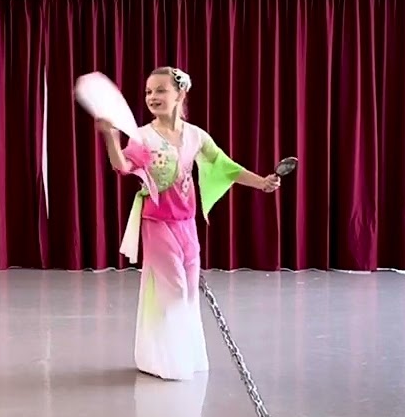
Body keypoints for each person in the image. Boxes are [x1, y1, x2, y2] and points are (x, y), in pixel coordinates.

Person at [96, 67, 280, 381]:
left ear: (180, 94)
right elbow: (123, 166)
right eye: (148, 92)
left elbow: (225, 166)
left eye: (160, 90)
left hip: (187, 224)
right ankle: (167, 360)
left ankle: (182, 354)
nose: (152, 97)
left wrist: (261, 182)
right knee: (175, 289)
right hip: (156, 222)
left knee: (189, 292)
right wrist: (111, 137)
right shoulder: (143, 135)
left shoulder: (195, 135)